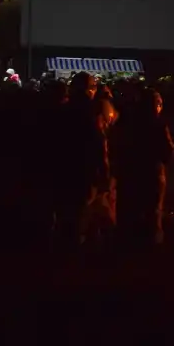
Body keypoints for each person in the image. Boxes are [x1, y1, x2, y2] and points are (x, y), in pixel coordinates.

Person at [52, 72, 117, 247]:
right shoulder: (93, 112)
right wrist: (104, 173)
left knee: (66, 215)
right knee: (85, 216)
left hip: (64, 170)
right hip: (85, 172)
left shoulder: (61, 109)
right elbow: (99, 144)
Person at [114, 88, 174, 246]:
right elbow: (169, 151)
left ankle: (128, 246)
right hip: (152, 175)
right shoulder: (158, 125)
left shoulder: (127, 123)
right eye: (159, 104)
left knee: (130, 210)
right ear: (156, 105)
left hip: (130, 173)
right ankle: (151, 247)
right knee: (152, 213)